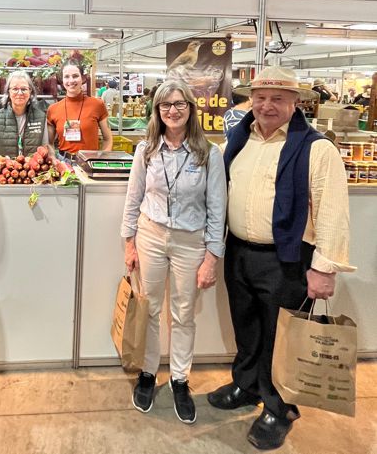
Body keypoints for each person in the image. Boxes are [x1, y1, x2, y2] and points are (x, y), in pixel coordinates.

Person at [207, 66, 354, 450]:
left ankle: (279, 407)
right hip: (240, 251)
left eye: (277, 98)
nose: (267, 105)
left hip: (287, 259)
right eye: (260, 97)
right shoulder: (239, 141)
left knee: (282, 337)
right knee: (247, 326)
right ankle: (246, 385)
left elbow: (332, 211)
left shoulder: (316, 148)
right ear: (250, 100)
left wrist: (324, 268)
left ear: (295, 102)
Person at [121, 79, 227, 425]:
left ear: (191, 108)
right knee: (150, 308)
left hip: (190, 241)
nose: (173, 110)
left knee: (183, 313)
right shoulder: (147, 149)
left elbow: (217, 209)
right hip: (151, 236)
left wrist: (212, 257)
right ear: (157, 111)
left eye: (180, 103)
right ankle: (148, 372)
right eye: (165, 105)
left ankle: (180, 379)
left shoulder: (209, 153)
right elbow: (133, 198)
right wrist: (129, 242)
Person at [47, 63, 112, 160]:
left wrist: (102, 160)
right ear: (62, 80)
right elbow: (49, 143)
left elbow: (108, 139)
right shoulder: (53, 109)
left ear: (83, 78)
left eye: (75, 76)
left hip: (90, 160)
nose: (71, 80)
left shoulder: (97, 105)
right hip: (63, 162)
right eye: (66, 77)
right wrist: (53, 159)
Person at [0, 70, 48, 156]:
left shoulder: (41, 118)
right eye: (15, 89)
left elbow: (45, 151)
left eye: (24, 89)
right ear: (8, 92)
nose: (20, 93)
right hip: (3, 165)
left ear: (30, 91)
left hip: (33, 165)